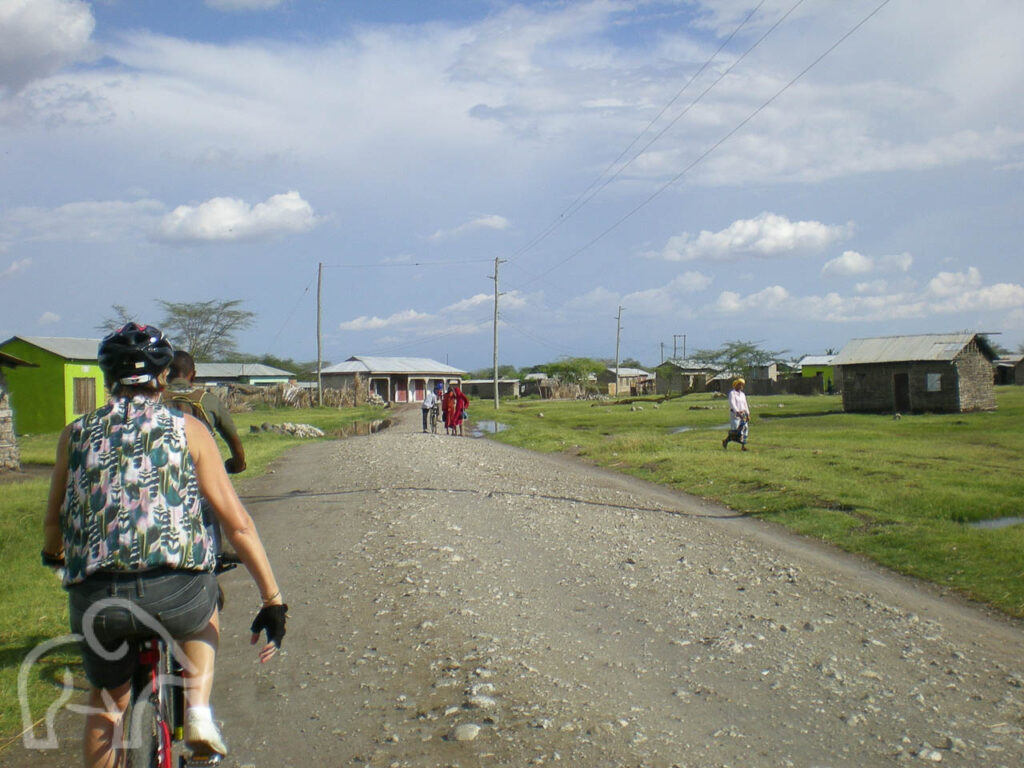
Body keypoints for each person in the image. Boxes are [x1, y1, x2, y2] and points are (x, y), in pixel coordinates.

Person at [40, 323, 287, 767]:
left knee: (106, 704)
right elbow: (238, 524)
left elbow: (54, 518)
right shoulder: (189, 429)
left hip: (98, 597)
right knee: (206, 601)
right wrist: (272, 598)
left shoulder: (74, 434)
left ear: (107, 379)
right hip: (176, 591)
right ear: (161, 377)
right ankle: (197, 712)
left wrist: (53, 553)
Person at [162, 350, 246, 552]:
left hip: (160, 475)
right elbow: (233, 439)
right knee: (212, 505)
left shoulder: (155, 398)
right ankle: (217, 552)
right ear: (193, 374)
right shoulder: (207, 400)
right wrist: (238, 463)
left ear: (166, 373)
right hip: (199, 477)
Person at [723, 377, 750, 451]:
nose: (741, 386)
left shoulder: (743, 394)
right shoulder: (732, 393)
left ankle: (743, 446)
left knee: (745, 429)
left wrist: (748, 413)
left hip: (743, 414)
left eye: (742, 385)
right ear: (736, 385)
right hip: (735, 414)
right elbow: (732, 404)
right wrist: (737, 412)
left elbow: (745, 404)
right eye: (740, 384)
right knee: (736, 431)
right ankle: (726, 441)